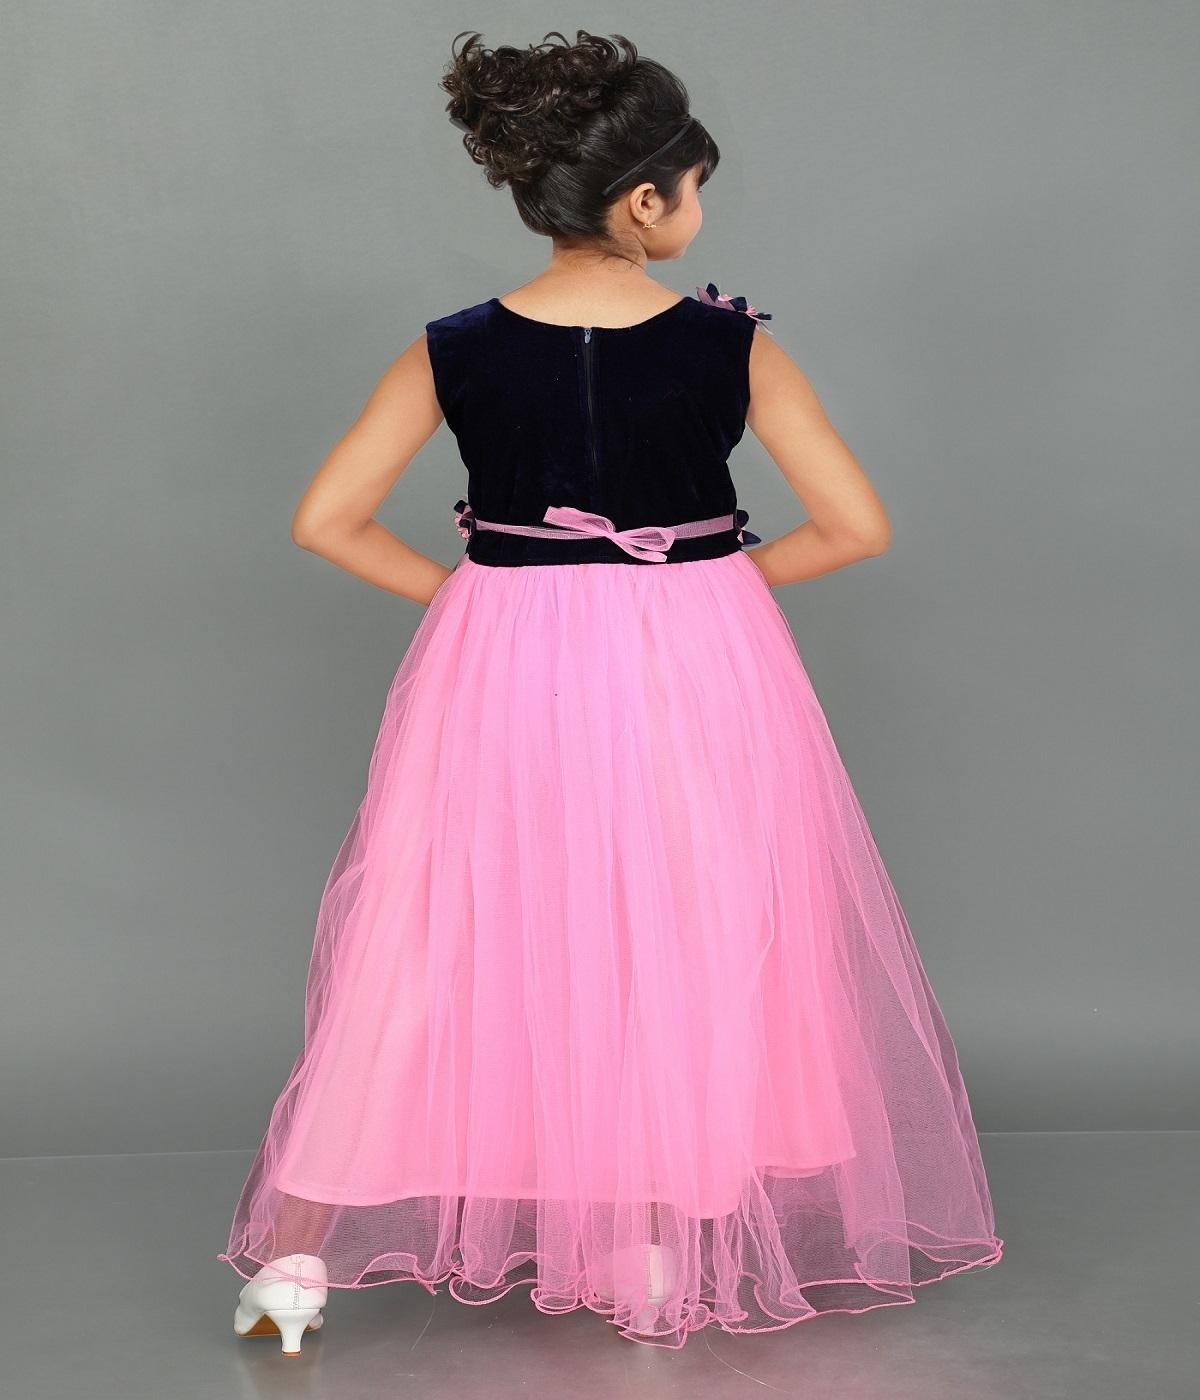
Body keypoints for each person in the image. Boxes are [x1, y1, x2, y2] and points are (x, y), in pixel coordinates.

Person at [217, 28, 1003, 1354]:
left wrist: (477, 598)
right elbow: (856, 526)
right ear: (645, 201)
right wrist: (707, 588)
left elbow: (325, 520)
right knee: (679, 930)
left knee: (434, 937)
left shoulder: (453, 348)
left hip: (501, 664)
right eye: (696, 188)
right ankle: (648, 1250)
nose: (699, 211)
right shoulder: (731, 348)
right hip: (694, 663)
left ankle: (293, 1267)